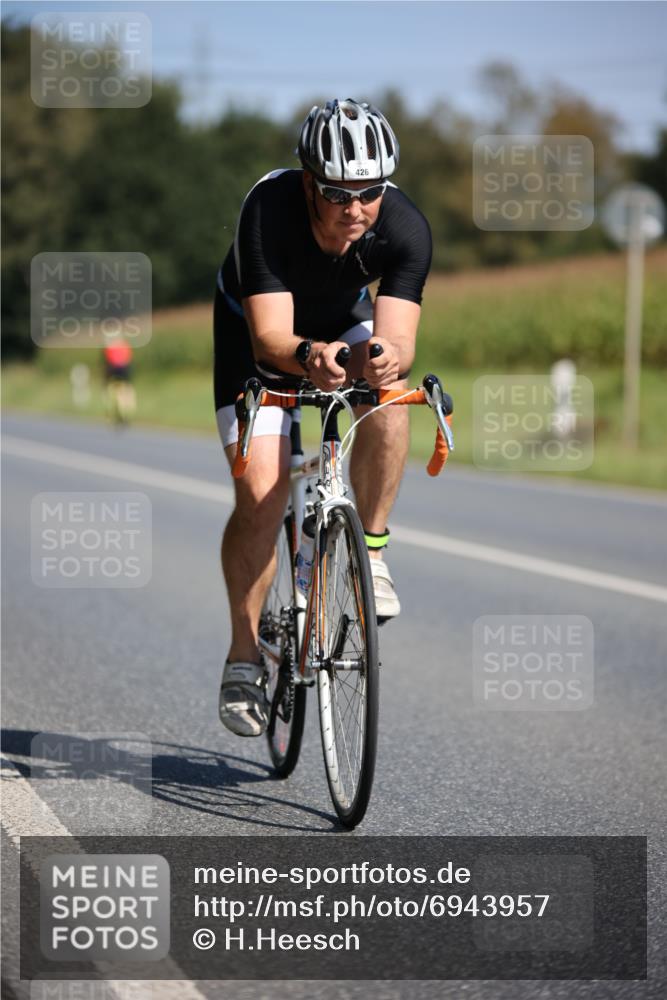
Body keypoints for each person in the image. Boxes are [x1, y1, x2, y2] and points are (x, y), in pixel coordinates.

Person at [214, 98, 432, 737]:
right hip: (258, 335)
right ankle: (243, 655)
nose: (355, 209)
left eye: (369, 192)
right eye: (339, 193)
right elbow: (270, 339)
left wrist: (380, 361)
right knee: (261, 491)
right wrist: (311, 356)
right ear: (309, 182)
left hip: (338, 323)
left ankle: (372, 545)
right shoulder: (269, 208)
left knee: (389, 396)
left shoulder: (405, 228)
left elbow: (398, 338)